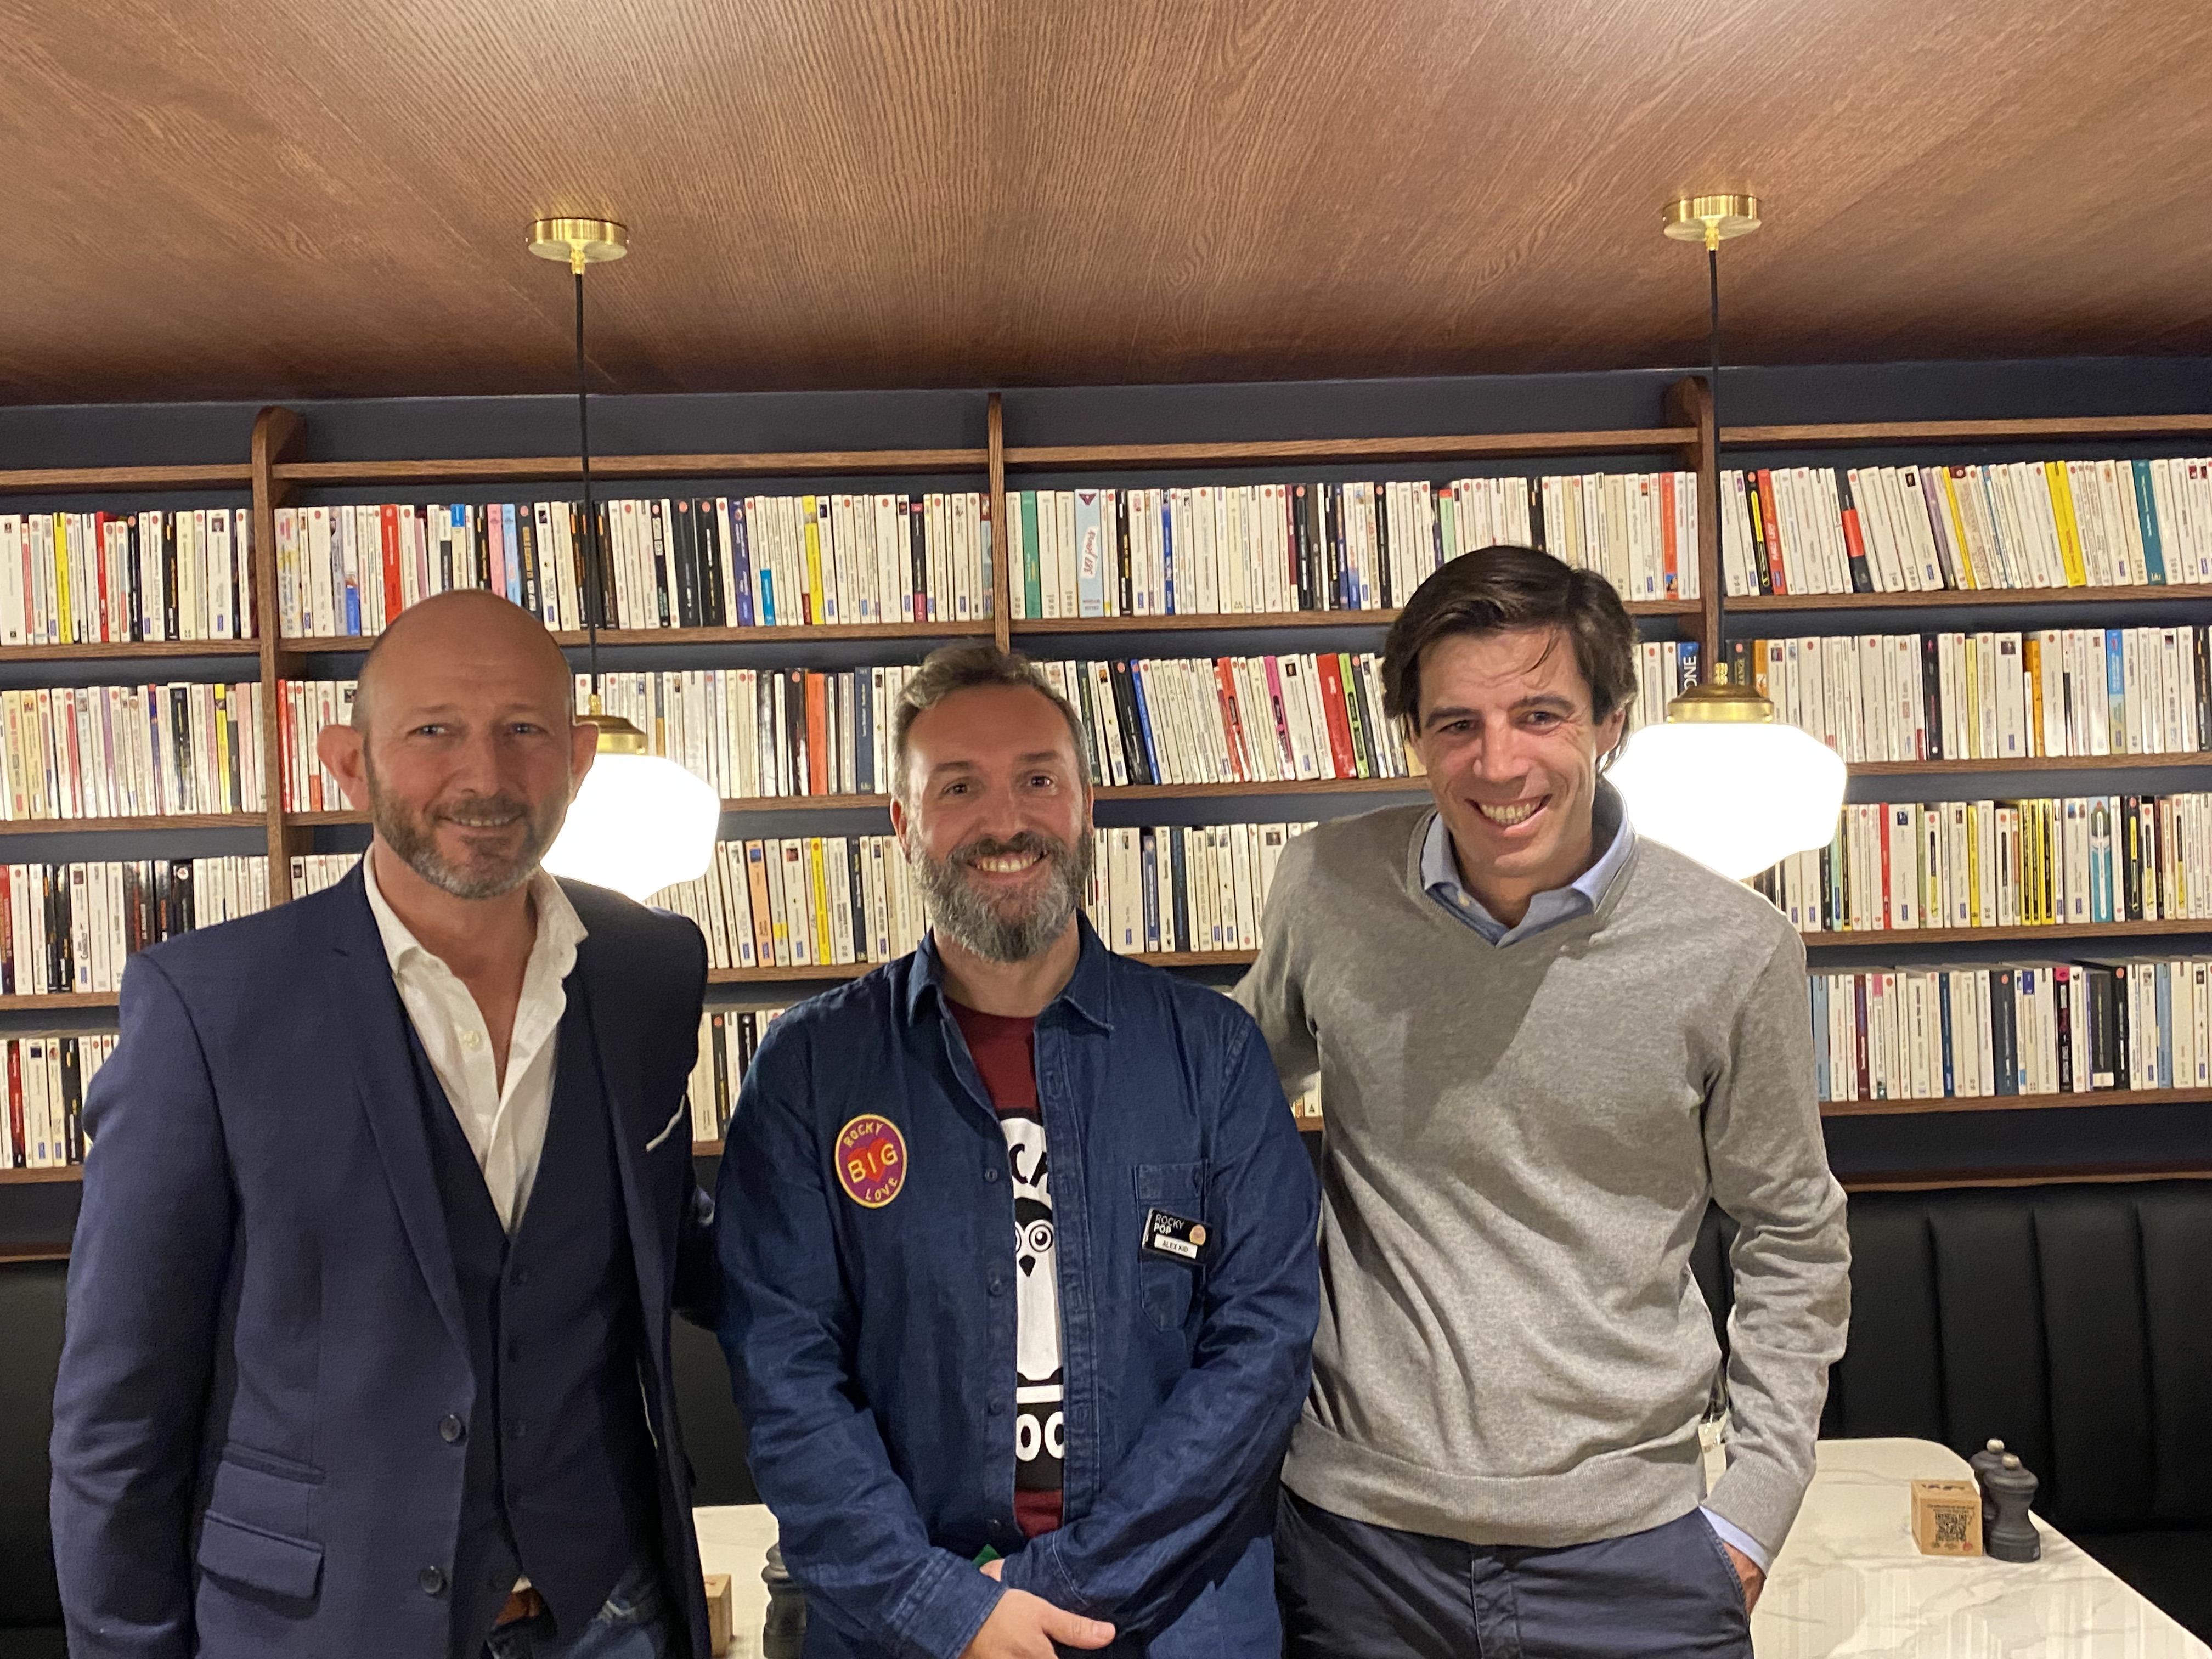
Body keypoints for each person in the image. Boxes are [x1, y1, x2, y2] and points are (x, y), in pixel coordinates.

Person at [51, 591, 720, 1659]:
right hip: (323, 1627)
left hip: (609, 1611)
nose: (485, 776)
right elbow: (118, 1412)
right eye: (433, 731)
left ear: (580, 757)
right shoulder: (208, 1006)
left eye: (524, 729)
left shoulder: (651, 969)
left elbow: (666, 1238)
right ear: (348, 765)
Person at [1237, 546, 1851, 1658]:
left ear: (1611, 723)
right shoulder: (1325, 886)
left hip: (1638, 1555)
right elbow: (1214, 1101)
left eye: (1540, 715)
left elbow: (1793, 1234)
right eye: (1457, 724)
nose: (1499, 762)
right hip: (1357, 1546)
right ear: (1413, 736)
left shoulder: (1736, 948)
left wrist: (1754, 1513)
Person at [717, 644, 1319, 1659]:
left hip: (1175, 1617)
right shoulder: (810, 1071)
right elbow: (786, 1374)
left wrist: (1054, 1587)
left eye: (1038, 780)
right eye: (959, 787)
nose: (1005, 822)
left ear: (1087, 808)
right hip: (903, 1624)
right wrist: (943, 1609)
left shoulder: (1212, 1054)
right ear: (902, 823)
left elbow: (1263, 1350)